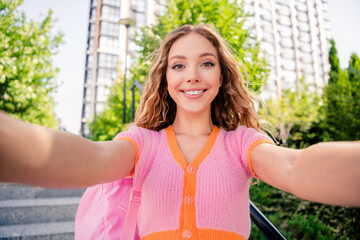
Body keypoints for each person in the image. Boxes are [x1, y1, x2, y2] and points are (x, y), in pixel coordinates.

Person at [0, 24, 359, 240]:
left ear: (221, 77)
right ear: (166, 78)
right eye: (178, 65)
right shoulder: (143, 141)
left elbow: (297, 167)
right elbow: (94, 158)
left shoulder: (241, 143)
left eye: (206, 62)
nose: (192, 75)